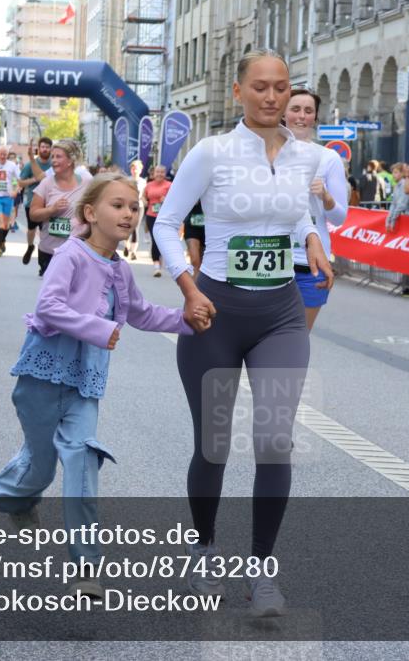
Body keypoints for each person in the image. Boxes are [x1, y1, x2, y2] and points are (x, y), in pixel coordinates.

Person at [153, 49, 334, 617]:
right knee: (213, 442)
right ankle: (206, 551)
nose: (272, 97)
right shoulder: (212, 152)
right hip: (215, 312)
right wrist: (188, 286)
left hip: (280, 312)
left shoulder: (307, 157)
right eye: (260, 87)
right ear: (238, 92)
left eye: (281, 87)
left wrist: (310, 242)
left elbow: (295, 211)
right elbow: (164, 222)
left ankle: (261, 574)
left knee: (276, 441)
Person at [0, 172, 205, 598]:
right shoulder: (71, 254)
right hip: (42, 375)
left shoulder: (121, 269)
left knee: (83, 458)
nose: (129, 214)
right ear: (90, 213)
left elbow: (141, 314)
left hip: (85, 383)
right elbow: (48, 307)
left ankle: (86, 565)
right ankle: (12, 497)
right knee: (41, 464)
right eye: (118, 205)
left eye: (134, 207)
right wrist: (94, 328)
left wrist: (190, 322)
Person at [283, 86, 349, 329]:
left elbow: (340, 217)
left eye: (308, 111)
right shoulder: (267, 153)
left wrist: (325, 195)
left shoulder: (328, 158)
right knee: (269, 340)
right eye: (296, 109)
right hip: (274, 260)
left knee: (298, 340)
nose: (301, 116)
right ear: (283, 113)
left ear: (315, 117)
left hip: (312, 266)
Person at [27, 140, 87, 277]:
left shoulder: (87, 183)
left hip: (77, 250)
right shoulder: (46, 183)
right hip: (50, 251)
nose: (53, 160)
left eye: (58, 157)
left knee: (74, 294)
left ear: (70, 161)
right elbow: (33, 214)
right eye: (52, 157)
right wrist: (51, 210)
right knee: (53, 296)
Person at [18, 137, 53, 266]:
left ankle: (42, 263)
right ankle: (30, 246)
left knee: (45, 233)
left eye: (47, 147)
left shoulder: (54, 164)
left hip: (49, 203)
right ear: (39, 148)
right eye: (42, 147)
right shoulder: (30, 165)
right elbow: (20, 182)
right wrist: (34, 180)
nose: (45, 149)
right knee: (32, 229)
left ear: (51, 149)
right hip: (32, 202)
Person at [0, 145, 21, 256]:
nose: (2, 156)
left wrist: (16, 191)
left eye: (5, 154)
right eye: (1, 154)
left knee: (5, 225)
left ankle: (2, 242)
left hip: (8, 197)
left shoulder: (12, 166)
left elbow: (20, 180)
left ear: (7, 155)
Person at [142, 164, 171, 277]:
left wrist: (167, 199)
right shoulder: (149, 185)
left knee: (162, 240)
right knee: (155, 239)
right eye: (157, 172)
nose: (159, 174)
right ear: (153, 173)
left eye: (162, 172)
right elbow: (143, 196)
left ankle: (160, 258)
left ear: (165, 174)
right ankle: (156, 266)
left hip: (165, 217)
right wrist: (144, 201)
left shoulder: (169, 185)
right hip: (151, 215)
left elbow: (176, 200)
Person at [122, 158, 146, 260]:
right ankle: (126, 246)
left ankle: (133, 251)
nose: (135, 170)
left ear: (140, 170)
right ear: (131, 170)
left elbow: (145, 195)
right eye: (133, 168)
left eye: (137, 168)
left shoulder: (143, 182)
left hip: (139, 206)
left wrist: (145, 199)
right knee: (127, 226)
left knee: (135, 227)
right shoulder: (127, 180)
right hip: (128, 206)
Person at [386, 163, 409, 232]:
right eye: (392, 172)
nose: (393, 175)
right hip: (401, 218)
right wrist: (389, 219)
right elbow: (394, 204)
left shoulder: (405, 184)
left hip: (408, 219)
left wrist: (392, 220)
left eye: (396, 172)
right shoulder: (396, 186)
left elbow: (402, 205)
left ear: (402, 173)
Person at [182, 200, 206, 273]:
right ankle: (193, 284)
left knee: (203, 264)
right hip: (191, 226)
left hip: (208, 229)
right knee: (195, 261)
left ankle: (199, 283)